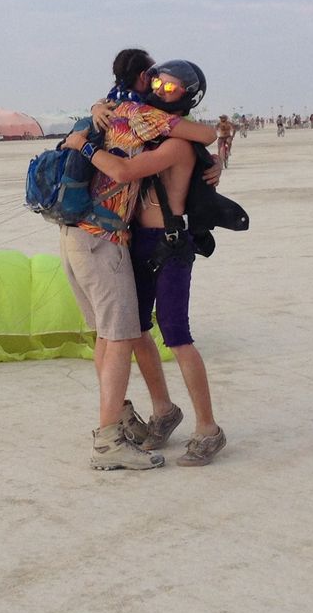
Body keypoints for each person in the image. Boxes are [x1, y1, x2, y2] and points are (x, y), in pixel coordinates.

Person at [61, 55, 217, 470]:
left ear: (187, 98)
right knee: (136, 330)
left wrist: (85, 144)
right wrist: (94, 113)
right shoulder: (146, 128)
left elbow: (126, 170)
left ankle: (208, 428)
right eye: (159, 85)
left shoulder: (176, 143)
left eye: (171, 89)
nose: (162, 93)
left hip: (167, 244)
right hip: (135, 242)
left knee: (177, 336)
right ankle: (164, 410)